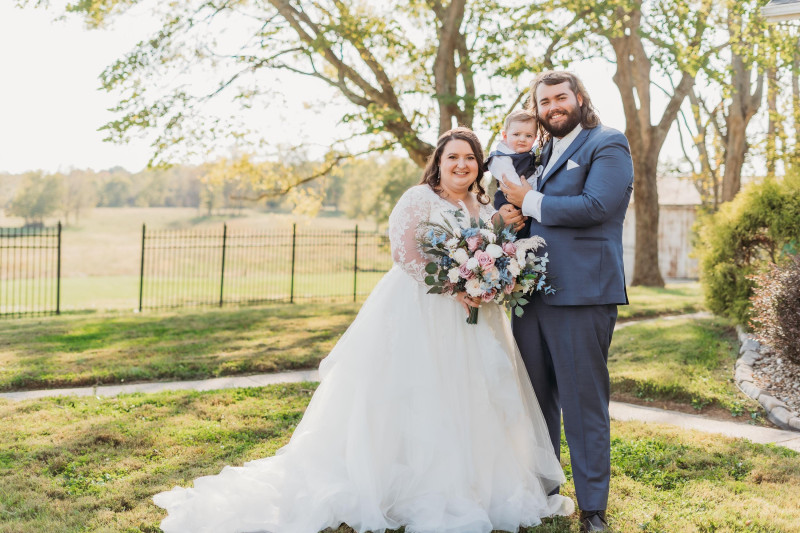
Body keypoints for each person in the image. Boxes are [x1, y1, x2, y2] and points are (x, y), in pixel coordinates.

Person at [153, 127, 574, 533]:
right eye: (453, 157)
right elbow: (403, 251)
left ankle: (478, 484)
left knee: (474, 393)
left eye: (469, 158)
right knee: (416, 391)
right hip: (423, 308)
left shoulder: (482, 205)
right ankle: (409, 482)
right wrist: (455, 287)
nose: (461, 164)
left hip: (475, 317)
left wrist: (487, 280)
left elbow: (492, 249)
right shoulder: (418, 198)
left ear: (480, 164)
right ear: (438, 162)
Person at [496, 71, 634, 533]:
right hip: (529, 295)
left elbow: (597, 206)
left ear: (579, 98)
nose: (553, 106)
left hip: (582, 295)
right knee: (536, 403)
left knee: (582, 403)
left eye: (560, 97)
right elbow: (518, 207)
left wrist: (529, 200)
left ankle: (593, 509)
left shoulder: (607, 143)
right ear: (536, 110)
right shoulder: (537, 152)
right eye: (544, 101)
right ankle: (544, 493)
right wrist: (509, 215)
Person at [485, 109, 539, 187]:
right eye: (516, 134)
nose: (522, 139)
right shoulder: (500, 158)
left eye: (528, 136)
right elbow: (513, 185)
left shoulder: (532, 154)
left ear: (534, 138)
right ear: (505, 136)